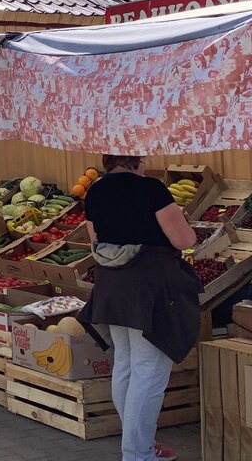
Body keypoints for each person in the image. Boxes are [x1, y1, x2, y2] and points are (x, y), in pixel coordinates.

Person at [78, 155, 201, 461]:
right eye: (143, 157)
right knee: (148, 369)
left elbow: (96, 239)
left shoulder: (95, 189)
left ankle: (140, 444)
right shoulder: (151, 189)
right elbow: (184, 239)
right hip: (150, 286)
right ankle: (137, 453)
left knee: (126, 363)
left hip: (112, 284)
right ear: (133, 159)